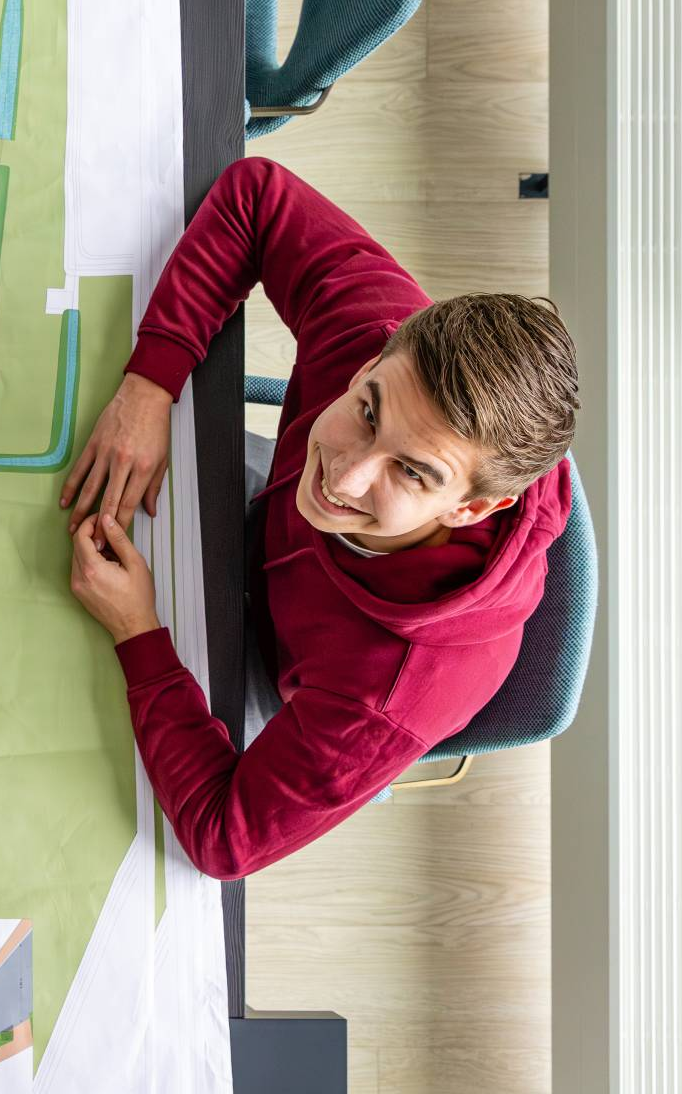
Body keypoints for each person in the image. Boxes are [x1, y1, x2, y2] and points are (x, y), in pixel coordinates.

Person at [61, 156, 577, 880]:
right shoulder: (384, 342)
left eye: (410, 471)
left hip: (282, 671)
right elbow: (255, 196)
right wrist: (150, 384)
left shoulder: (389, 697)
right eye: (365, 412)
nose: (347, 472)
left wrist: (137, 634)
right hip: (264, 510)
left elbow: (222, 840)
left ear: (472, 508)